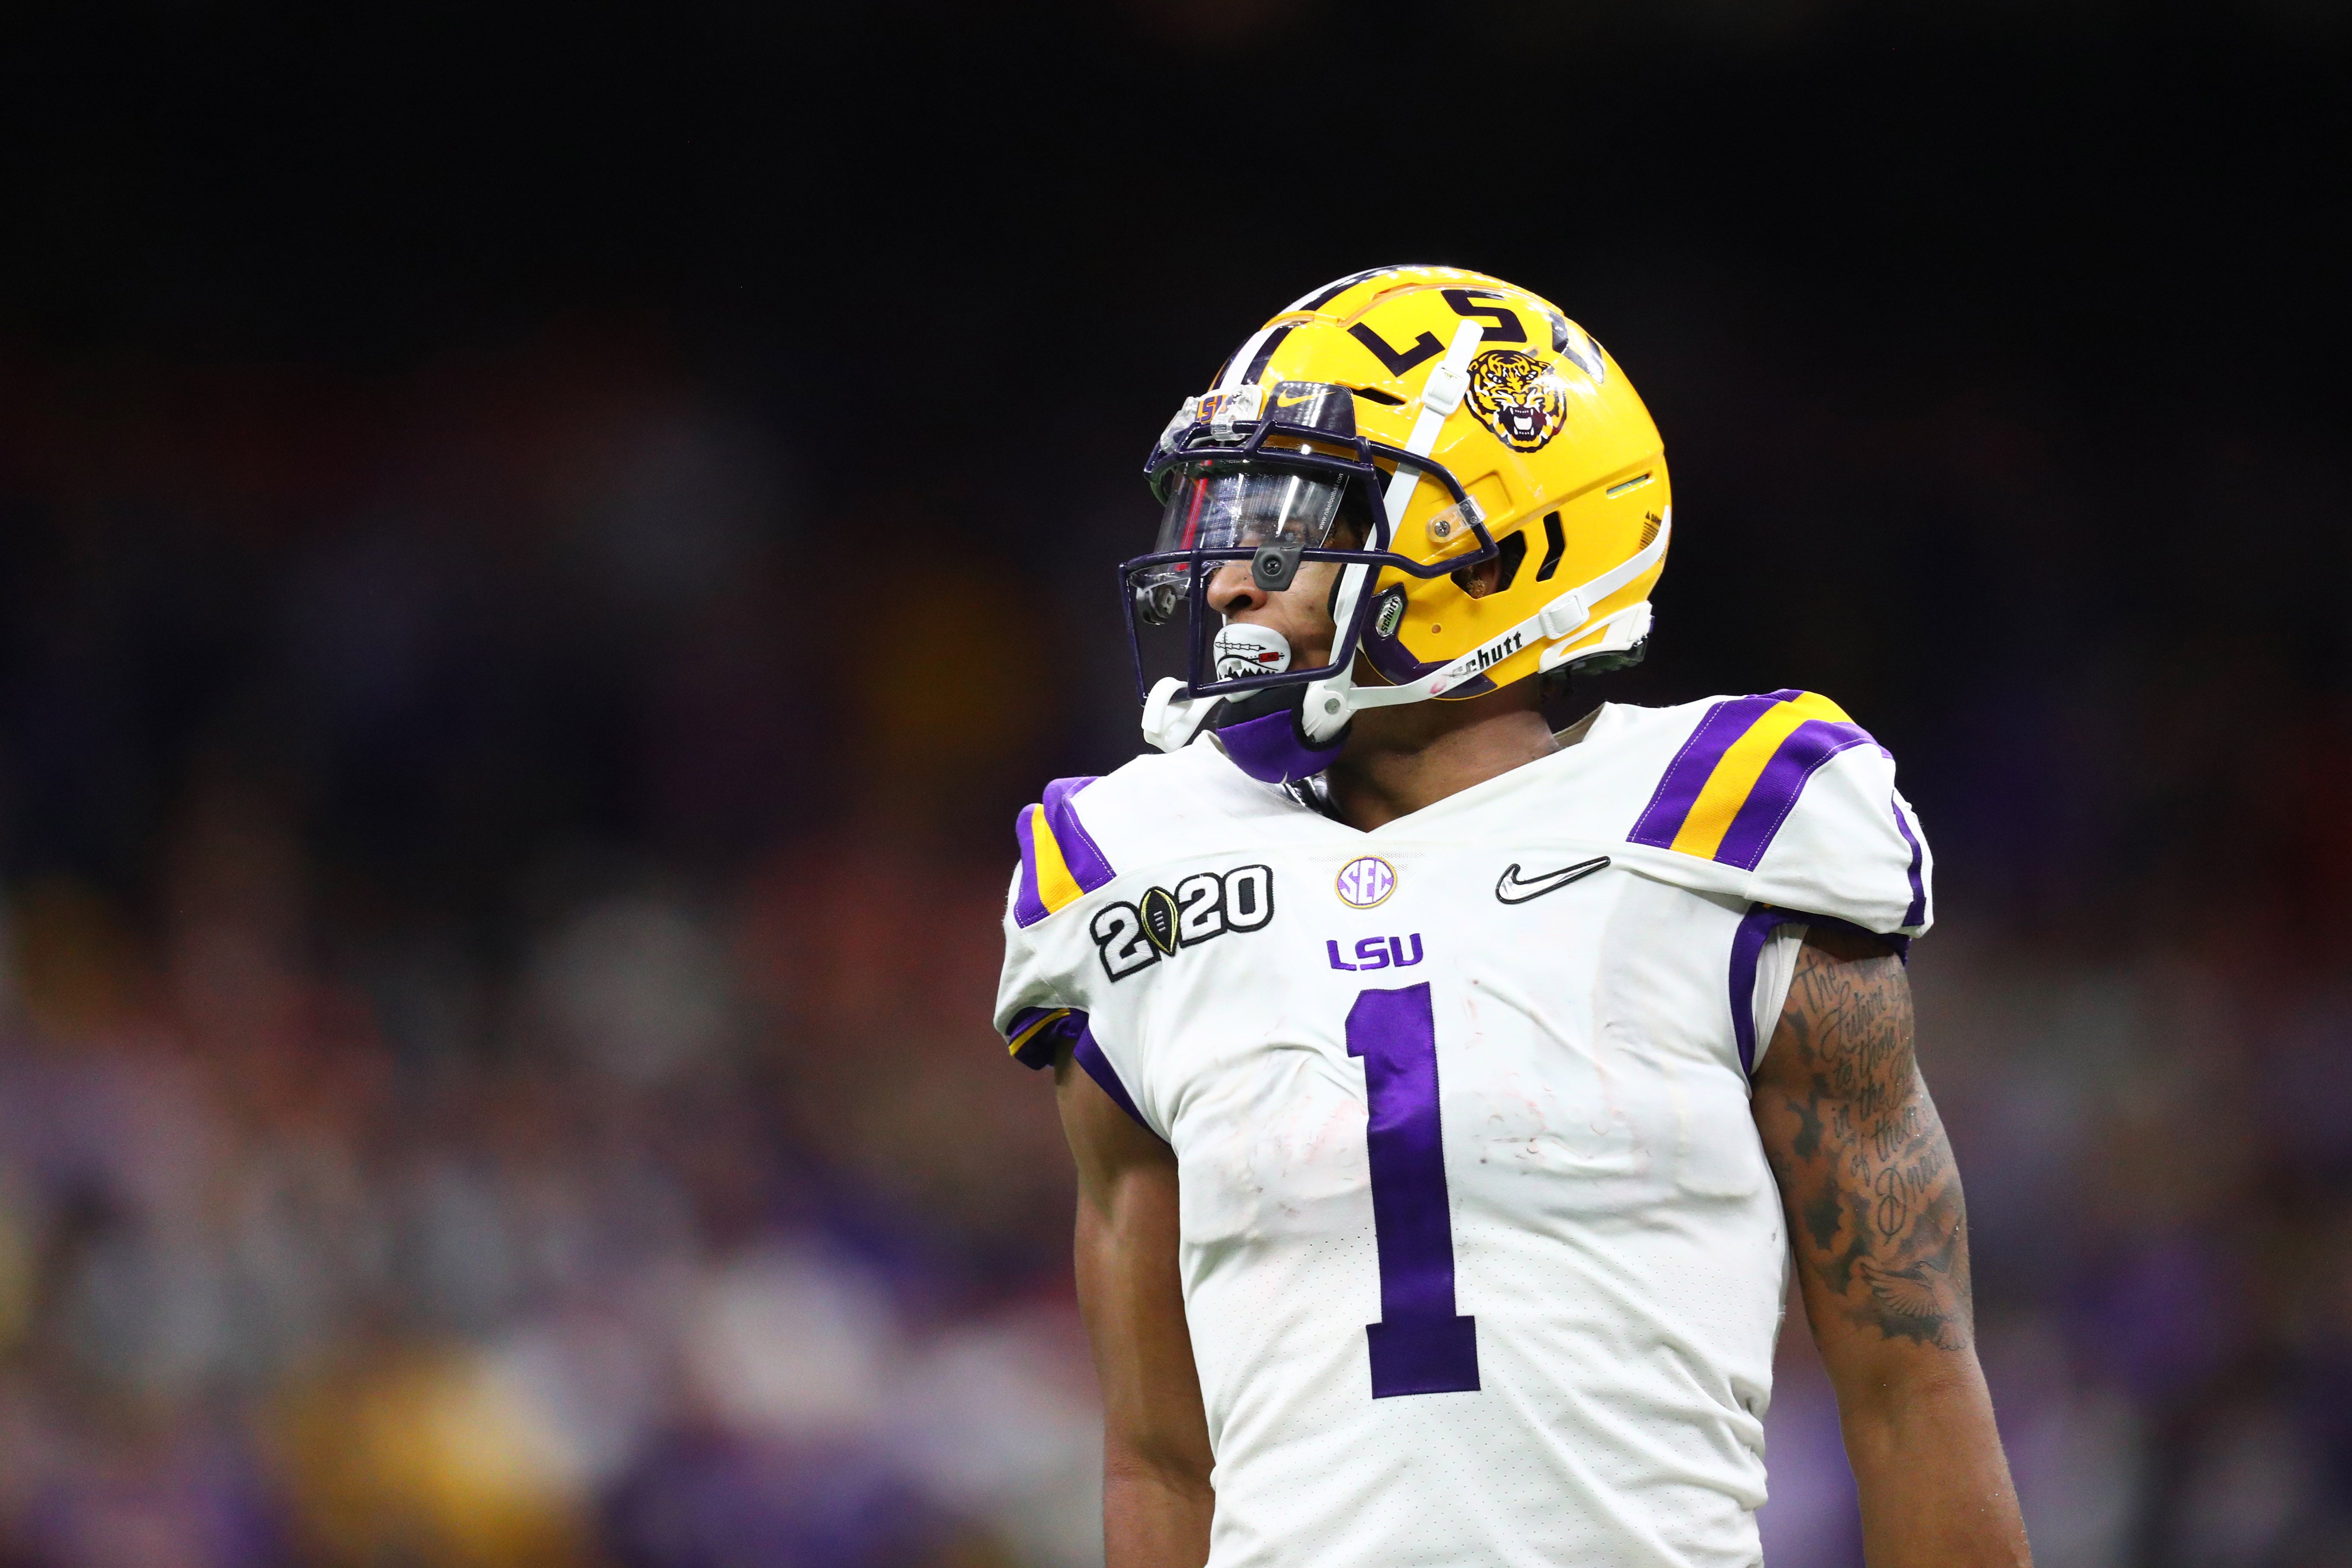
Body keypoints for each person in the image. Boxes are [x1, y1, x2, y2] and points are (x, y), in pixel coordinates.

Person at [993, 266, 2030, 1568]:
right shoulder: (1127, 869)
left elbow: (1912, 1388)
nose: (1222, 583)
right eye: (1221, 512)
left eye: (1284, 519)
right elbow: (1159, 1457)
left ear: (1489, 543)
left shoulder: (1730, 826)